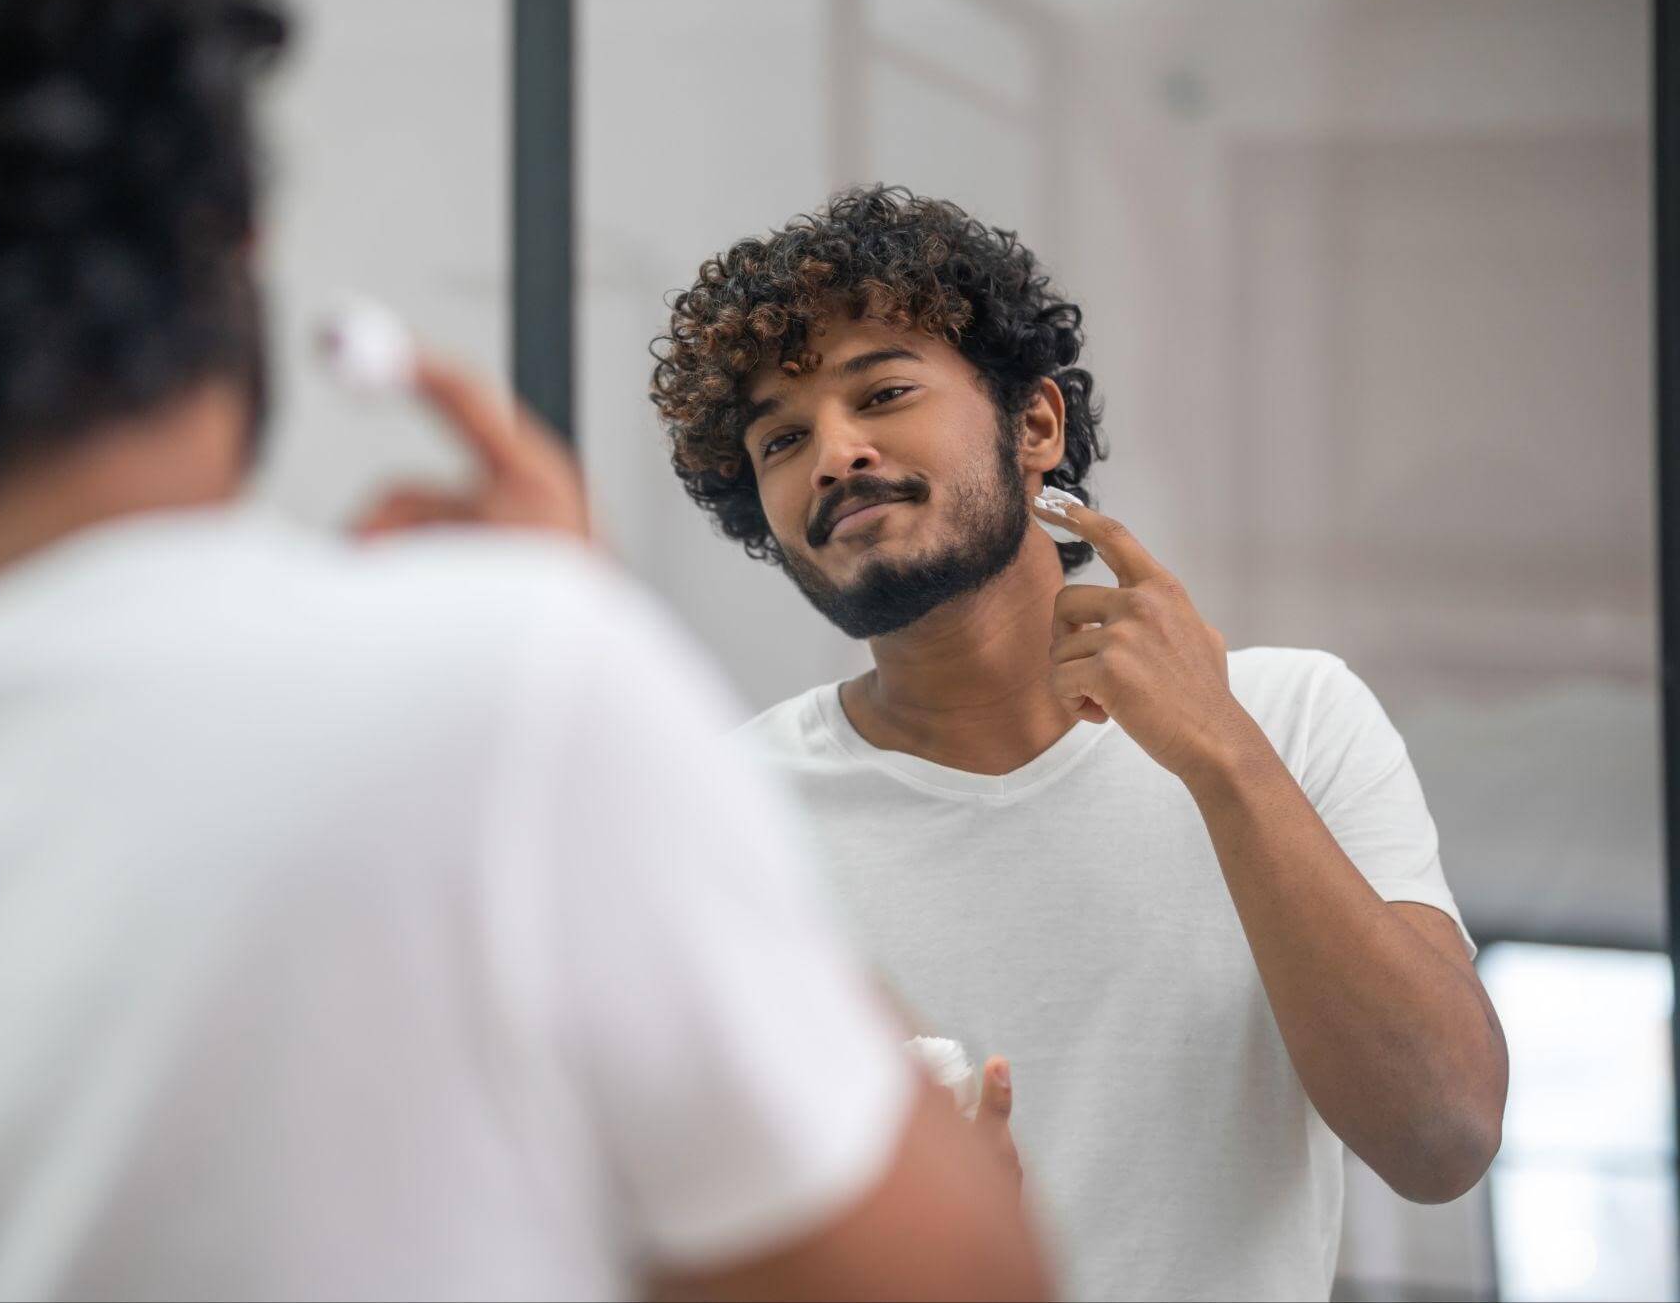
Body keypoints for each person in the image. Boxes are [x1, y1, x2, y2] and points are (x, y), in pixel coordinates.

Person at [0, 0, 1045, 1299]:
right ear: (227, 234)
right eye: (785, 427)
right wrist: (581, 629)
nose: (838, 453)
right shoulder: (503, 695)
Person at [646, 184, 1510, 1302]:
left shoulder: (1291, 717)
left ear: (1035, 425)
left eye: (885, 392)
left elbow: (1439, 1137)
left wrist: (1220, 758)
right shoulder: (726, 814)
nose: (835, 453)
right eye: (780, 439)